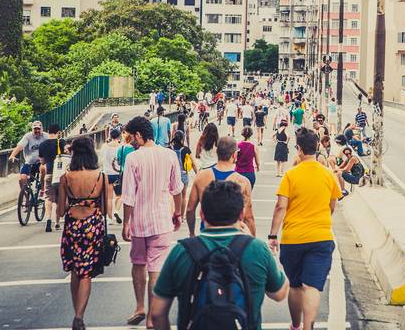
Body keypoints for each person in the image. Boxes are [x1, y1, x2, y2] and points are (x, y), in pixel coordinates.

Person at [151, 181, 288, 330]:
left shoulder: (181, 251)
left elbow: (157, 313)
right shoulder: (257, 249)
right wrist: (270, 254)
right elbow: (279, 294)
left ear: (202, 214)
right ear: (241, 214)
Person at [269, 128, 341, 330]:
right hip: (321, 237)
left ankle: (295, 325)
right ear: (317, 147)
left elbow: (280, 206)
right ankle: (308, 327)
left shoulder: (290, 174)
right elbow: (332, 205)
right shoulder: (328, 174)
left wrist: (273, 235)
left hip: (293, 239)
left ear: (299, 150)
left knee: (296, 285)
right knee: (313, 286)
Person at [121, 116, 184, 328]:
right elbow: (177, 189)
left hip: (139, 222)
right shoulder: (169, 155)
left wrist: (126, 223)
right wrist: (178, 213)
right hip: (161, 221)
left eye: (131, 137)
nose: (131, 141)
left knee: (138, 263)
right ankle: (151, 318)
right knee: (155, 269)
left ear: (139, 135)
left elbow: (128, 195)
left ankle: (139, 306)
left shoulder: (133, 158)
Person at [57, 137, 112, 330]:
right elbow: (106, 210)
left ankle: (76, 312)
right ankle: (80, 315)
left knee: (75, 270)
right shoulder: (101, 177)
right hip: (93, 225)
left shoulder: (66, 177)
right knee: (86, 272)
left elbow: (60, 211)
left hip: (72, 225)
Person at [186, 136, 256, 237]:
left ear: (216, 152)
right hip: (233, 236)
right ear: (234, 155)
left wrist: (192, 233)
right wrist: (253, 241)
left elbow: (190, 210)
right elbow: (248, 217)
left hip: (208, 235)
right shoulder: (243, 182)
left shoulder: (201, 176)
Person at [38, 124, 67, 232]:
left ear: (48, 131)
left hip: (49, 173)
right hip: (60, 175)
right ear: (58, 132)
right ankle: (57, 222)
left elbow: (42, 161)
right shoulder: (61, 142)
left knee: (48, 197)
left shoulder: (42, 144)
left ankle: (48, 219)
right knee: (59, 199)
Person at [8, 121, 49, 191]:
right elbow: (19, 147)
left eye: (39, 129)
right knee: (22, 179)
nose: (37, 131)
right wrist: (12, 155)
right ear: (32, 129)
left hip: (41, 162)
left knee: (43, 169)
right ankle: (26, 198)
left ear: (42, 129)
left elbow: (53, 145)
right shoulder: (28, 136)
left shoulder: (46, 136)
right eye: (35, 129)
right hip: (29, 163)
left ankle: (43, 190)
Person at [171, 130, 198, 220]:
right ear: (182, 139)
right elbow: (193, 163)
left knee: (173, 196)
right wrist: (197, 174)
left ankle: (174, 215)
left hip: (173, 176)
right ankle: (181, 217)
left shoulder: (170, 149)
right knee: (183, 196)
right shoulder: (186, 149)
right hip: (183, 175)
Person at [100, 128, 123, 224]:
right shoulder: (121, 147)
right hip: (118, 174)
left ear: (110, 136)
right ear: (119, 136)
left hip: (107, 174)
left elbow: (101, 159)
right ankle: (116, 211)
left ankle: (110, 219)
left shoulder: (104, 146)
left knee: (109, 197)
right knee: (120, 195)